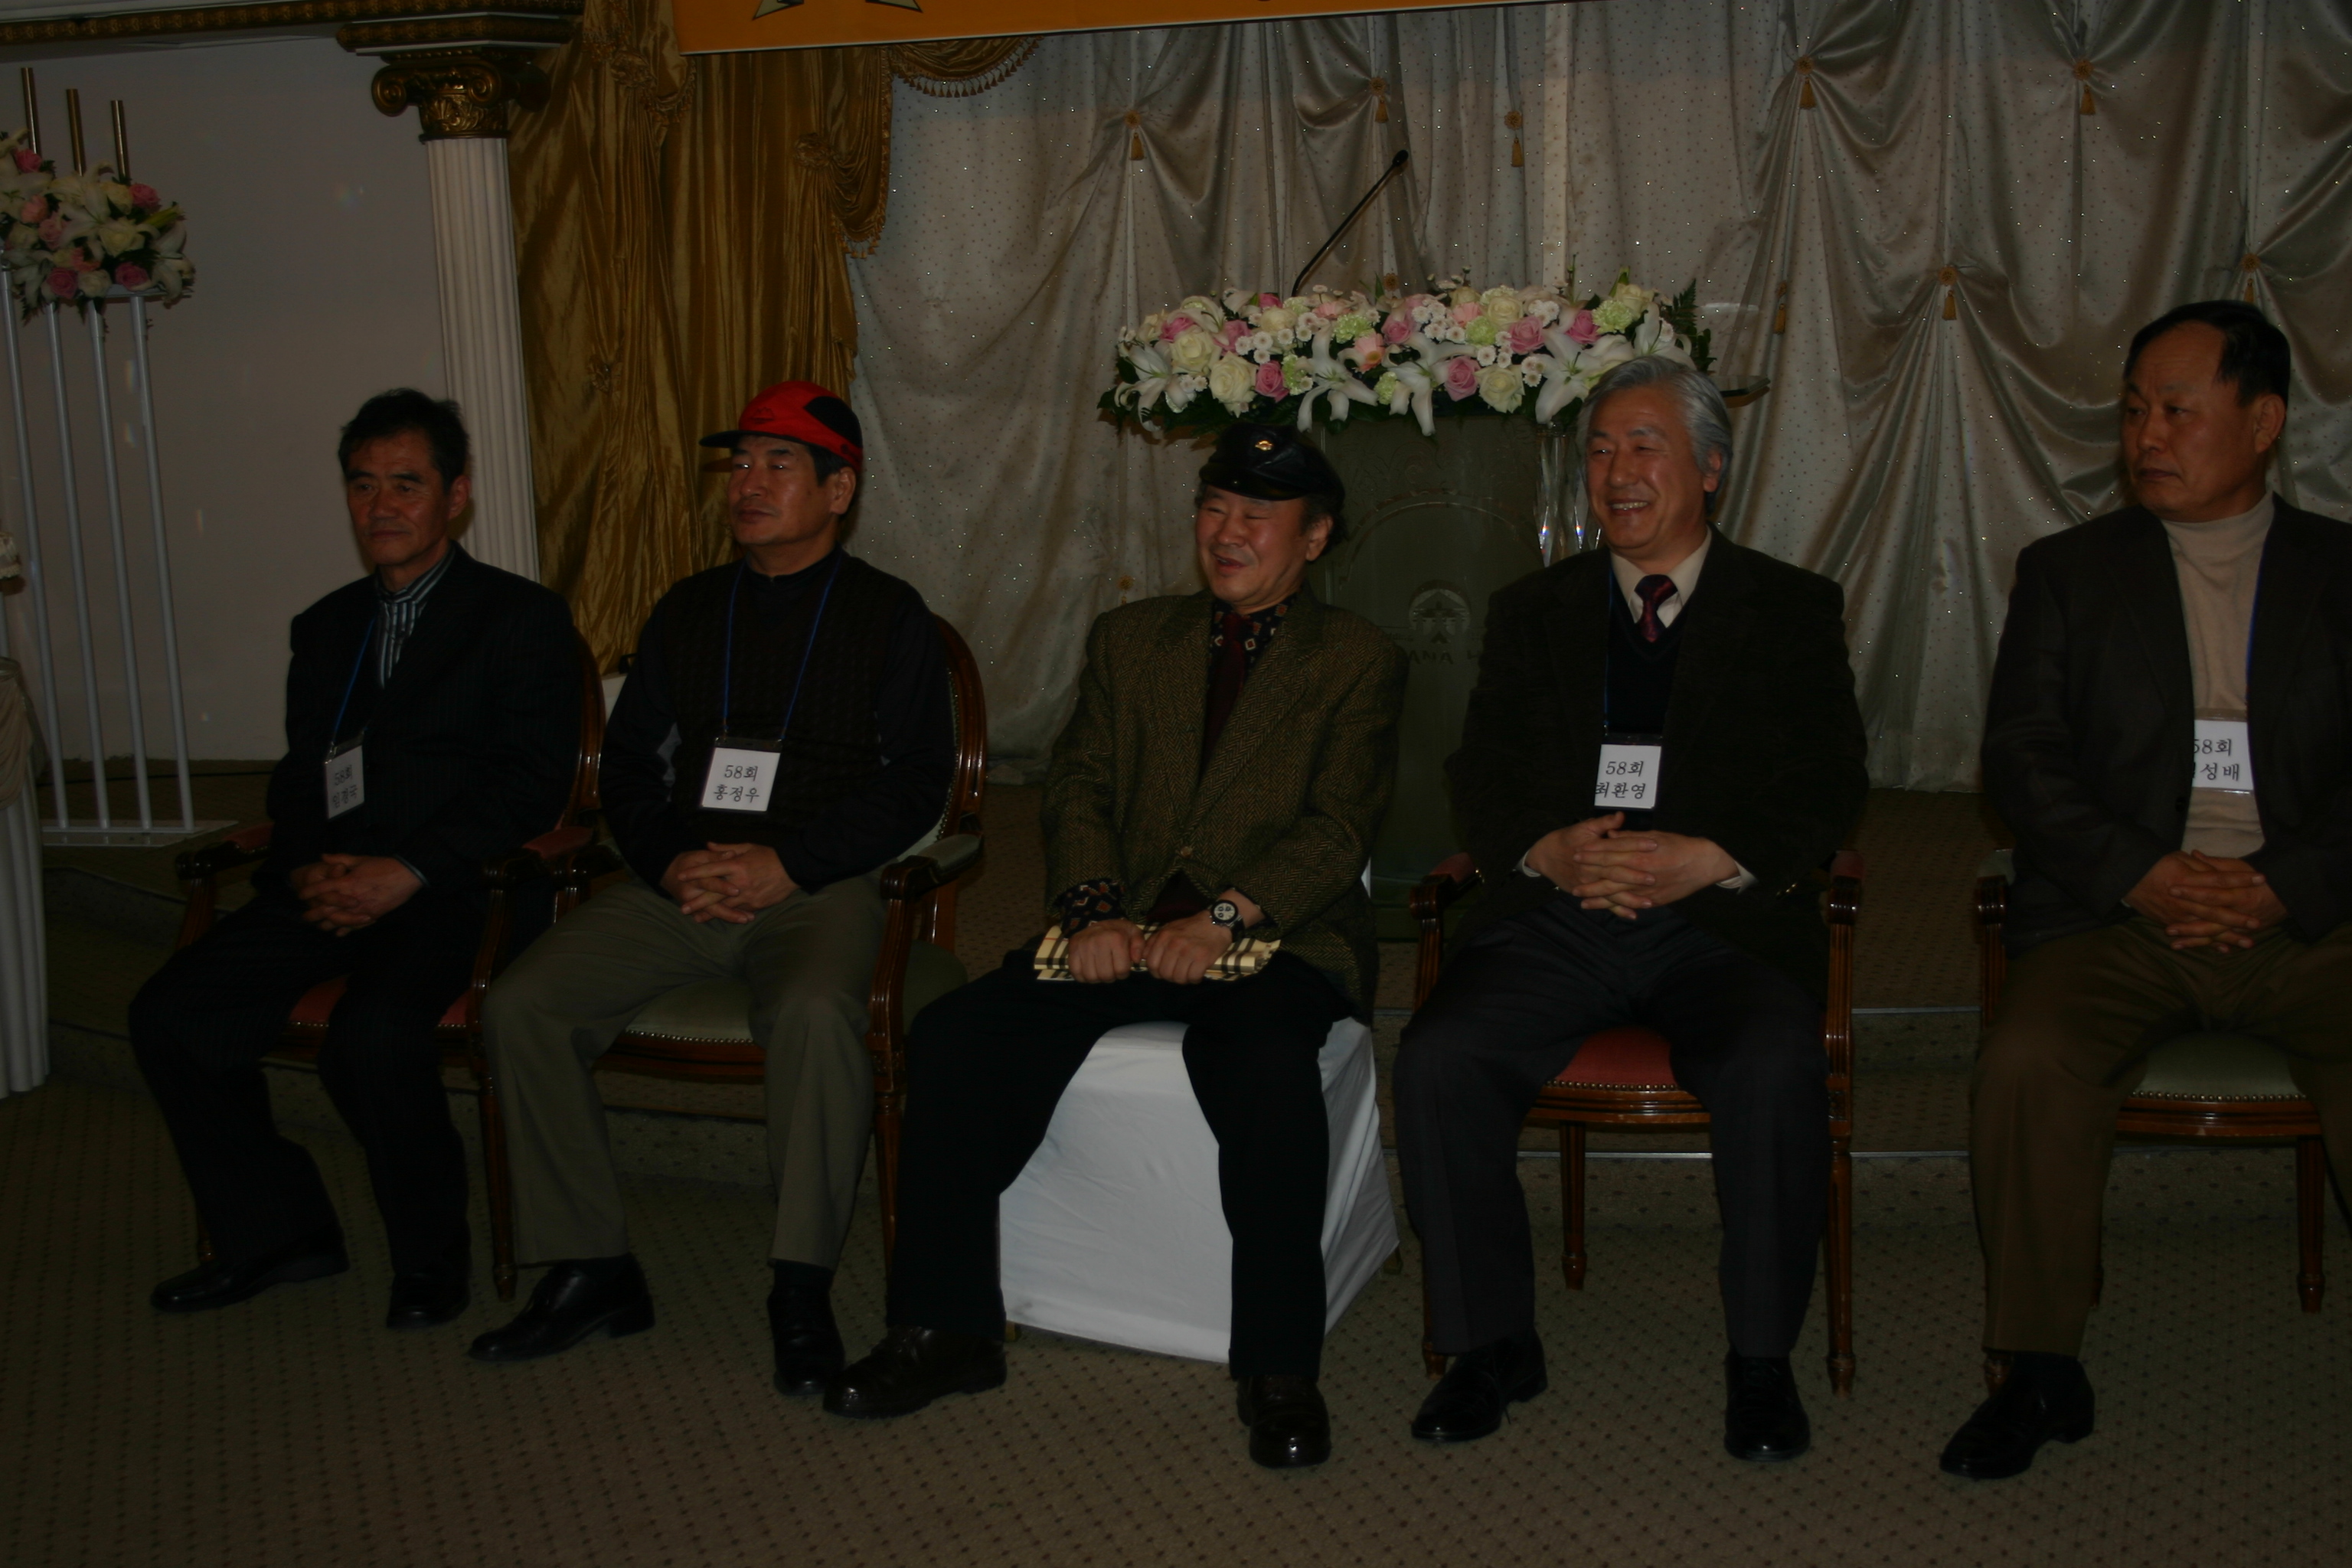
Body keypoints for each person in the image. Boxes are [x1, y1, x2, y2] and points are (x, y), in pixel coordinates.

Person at [825, 423, 1406, 1470]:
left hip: (1275, 938)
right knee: (956, 1036)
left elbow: (1338, 828)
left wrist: (1221, 918)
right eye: (1213, 509)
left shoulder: (1356, 658)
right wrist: (1093, 910)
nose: (1227, 533)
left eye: (1257, 516)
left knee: (1267, 1066)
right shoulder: (1133, 638)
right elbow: (1080, 785)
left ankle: (1279, 1367)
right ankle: (946, 1327)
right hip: (1122, 927)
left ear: (1315, 538)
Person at [1394, 355, 1868, 1462]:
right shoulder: (1534, 610)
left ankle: (1761, 1362)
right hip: (1563, 915)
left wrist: (1716, 858)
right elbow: (1484, 770)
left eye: (1645, 446)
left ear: (1711, 468)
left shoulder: (1789, 607)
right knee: (1440, 1057)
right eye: (1601, 450)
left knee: (1770, 1065)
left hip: (1720, 925)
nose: (1617, 473)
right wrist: (1549, 850)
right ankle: (1490, 1345)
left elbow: (1827, 778)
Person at [468, 382, 953, 1396]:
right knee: (521, 1003)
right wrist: (670, 859)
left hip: (818, 884)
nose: (748, 483)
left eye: (779, 464)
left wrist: (791, 863)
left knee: (816, 1014)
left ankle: (799, 1283)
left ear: (840, 490)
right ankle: (592, 1267)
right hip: (681, 883)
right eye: (740, 463)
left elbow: (918, 781)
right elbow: (628, 769)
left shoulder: (888, 614)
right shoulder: (689, 609)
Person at [1945, 301, 2352, 1480]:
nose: (2147, 436)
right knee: (2028, 1061)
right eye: (2133, 413)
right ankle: (2037, 1370)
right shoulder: (2071, 573)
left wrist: (2280, 888)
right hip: (2120, 917)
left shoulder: (2341, 572)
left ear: (2264, 422)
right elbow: (2023, 760)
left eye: (2178, 410)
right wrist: (2146, 873)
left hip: (2312, 921)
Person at [132, 389, 580, 1329]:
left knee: (371, 1036)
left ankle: (430, 1258)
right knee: (172, 1011)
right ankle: (279, 1232)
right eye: (363, 484)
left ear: (455, 495)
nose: (382, 505)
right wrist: (308, 868)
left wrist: (404, 871)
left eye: (406, 484)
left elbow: (527, 788)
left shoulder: (520, 618)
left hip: (456, 893)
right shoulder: (327, 624)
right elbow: (303, 777)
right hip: (333, 887)